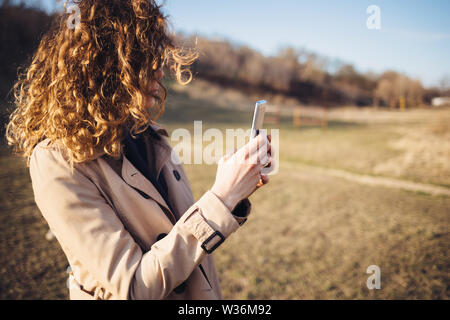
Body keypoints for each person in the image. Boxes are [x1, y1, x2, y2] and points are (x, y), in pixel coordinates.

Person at [5, 0, 271, 300]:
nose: (160, 72)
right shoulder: (55, 162)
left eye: (158, 57)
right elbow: (133, 287)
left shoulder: (150, 136)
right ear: (108, 63)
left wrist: (233, 191)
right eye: (147, 58)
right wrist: (221, 198)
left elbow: (187, 236)